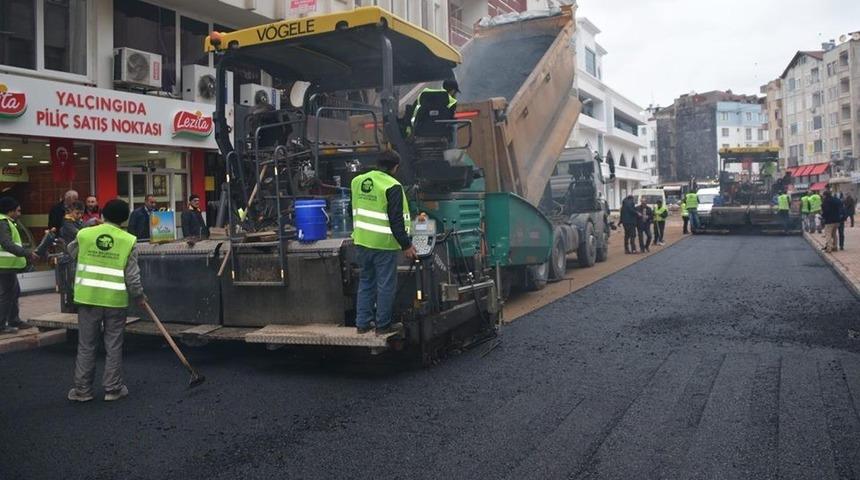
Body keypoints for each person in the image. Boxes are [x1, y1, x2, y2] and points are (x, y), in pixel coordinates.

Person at [67, 199, 145, 403]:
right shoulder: (128, 240)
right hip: (115, 300)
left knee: (86, 345)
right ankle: (113, 389)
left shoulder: (84, 234)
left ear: (102, 215)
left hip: (88, 298)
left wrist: (88, 228)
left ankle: (83, 391)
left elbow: (72, 252)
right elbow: (132, 276)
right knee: (114, 344)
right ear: (125, 220)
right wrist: (139, 296)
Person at [350, 151, 417, 335]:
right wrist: (406, 245)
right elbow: (396, 220)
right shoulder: (392, 186)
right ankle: (383, 325)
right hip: (383, 245)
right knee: (385, 285)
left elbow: (351, 210)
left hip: (362, 241)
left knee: (366, 282)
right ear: (395, 167)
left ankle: (362, 324)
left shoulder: (358, 181)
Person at [0, 197, 40, 334]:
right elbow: (7, 243)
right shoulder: (3, 222)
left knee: (14, 292)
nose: (19, 214)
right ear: (9, 210)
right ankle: (2, 325)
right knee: (7, 295)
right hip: (4, 266)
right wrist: (27, 253)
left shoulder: (8, 222)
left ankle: (13, 320)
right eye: (17, 211)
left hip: (8, 266)